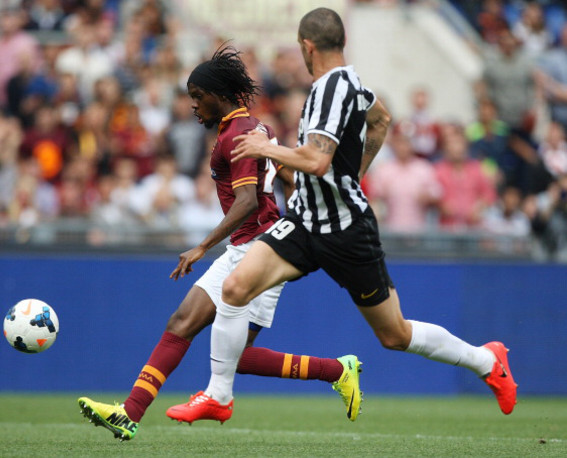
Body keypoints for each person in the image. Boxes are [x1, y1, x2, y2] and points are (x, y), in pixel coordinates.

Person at [166, 8, 517, 425]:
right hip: (304, 220)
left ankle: (485, 360)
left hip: (346, 230)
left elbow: (315, 161)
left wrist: (267, 149)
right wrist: (353, 175)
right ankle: (218, 396)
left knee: (394, 334)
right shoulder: (352, 86)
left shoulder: (332, 89)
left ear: (307, 46)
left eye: (301, 49)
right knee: (236, 286)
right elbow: (381, 121)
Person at [77, 46, 363, 441]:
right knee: (192, 328)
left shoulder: (239, 135)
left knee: (224, 350)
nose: (194, 105)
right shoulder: (251, 128)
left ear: (219, 93)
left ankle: (336, 370)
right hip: (249, 245)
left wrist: (201, 246)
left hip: (263, 250)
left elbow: (246, 202)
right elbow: (287, 178)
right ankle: (129, 413)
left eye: (198, 96)